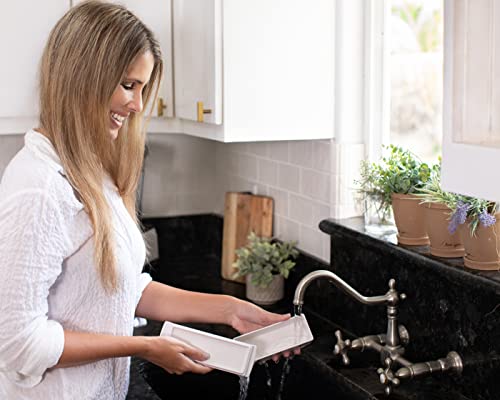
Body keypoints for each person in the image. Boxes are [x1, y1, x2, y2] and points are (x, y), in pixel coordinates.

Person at [0, 1, 297, 399]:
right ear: (81, 76)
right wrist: (144, 346)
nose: (138, 105)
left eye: (141, 88)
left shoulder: (90, 171)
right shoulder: (39, 186)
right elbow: (19, 345)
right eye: (128, 85)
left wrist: (229, 309)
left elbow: (123, 289)